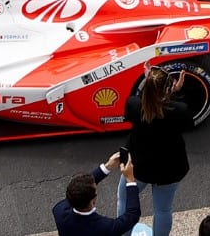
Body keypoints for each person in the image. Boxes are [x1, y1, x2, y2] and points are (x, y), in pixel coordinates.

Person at [118, 66, 194, 236]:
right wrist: (174, 93)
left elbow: (144, 104)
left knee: (124, 201)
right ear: (168, 88)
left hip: (137, 167)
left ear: (147, 86)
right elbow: (189, 123)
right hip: (169, 169)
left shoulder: (133, 105)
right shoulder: (178, 110)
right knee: (163, 211)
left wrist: (150, 83)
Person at [52, 151, 138, 236]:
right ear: (93, 200)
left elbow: (79, 188)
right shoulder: (105, 227)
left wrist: (107, 167)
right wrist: (130, 179)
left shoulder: (59, 211)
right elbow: (132, 214)